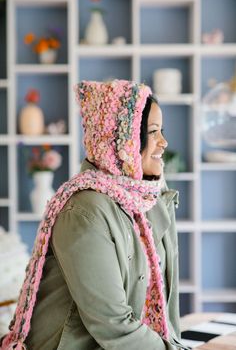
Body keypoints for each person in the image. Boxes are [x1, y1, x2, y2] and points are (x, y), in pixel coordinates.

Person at [0, 80, 189, 350]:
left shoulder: (148, 198)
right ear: (122, 142)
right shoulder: (85, 211)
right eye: (153, 131)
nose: (164, 142)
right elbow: (113, 324)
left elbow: (166, 303)